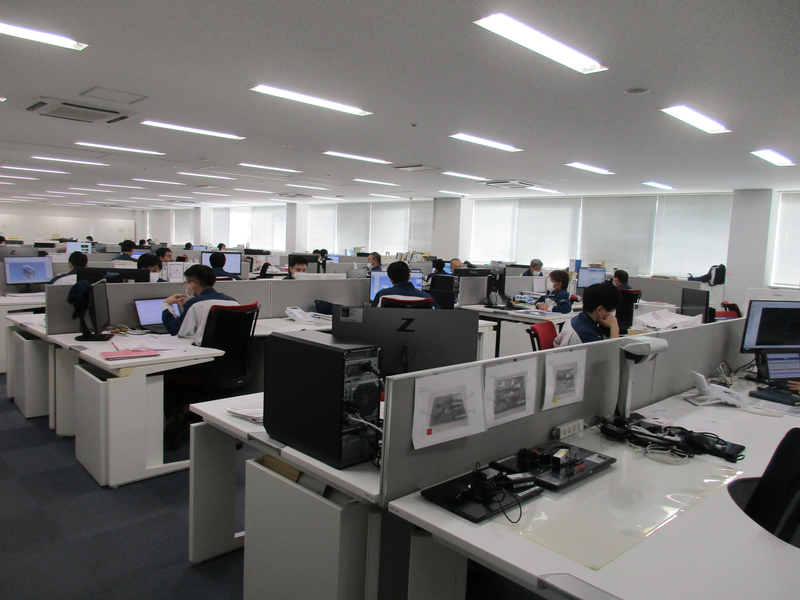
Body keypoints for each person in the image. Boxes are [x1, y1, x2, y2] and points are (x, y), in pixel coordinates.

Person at [161, 265, 238, 344]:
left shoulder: (194, 304)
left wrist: (166, 304)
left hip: (205, 349)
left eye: (185, 283)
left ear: (192, 284)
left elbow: (175, 330)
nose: (185, 287)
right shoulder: (234, 302)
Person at [554, 282, 622, 347]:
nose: (612, 315)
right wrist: (614, 326)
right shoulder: (586, 335)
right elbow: (612, 354)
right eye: (612, 310)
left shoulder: (577, 320)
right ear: (600, 310)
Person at [372, 261, 440, 308]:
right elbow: (439, 318)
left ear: (391, 280)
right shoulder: (428, 298)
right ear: (409, 276)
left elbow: (372, 318)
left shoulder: (382, 296)